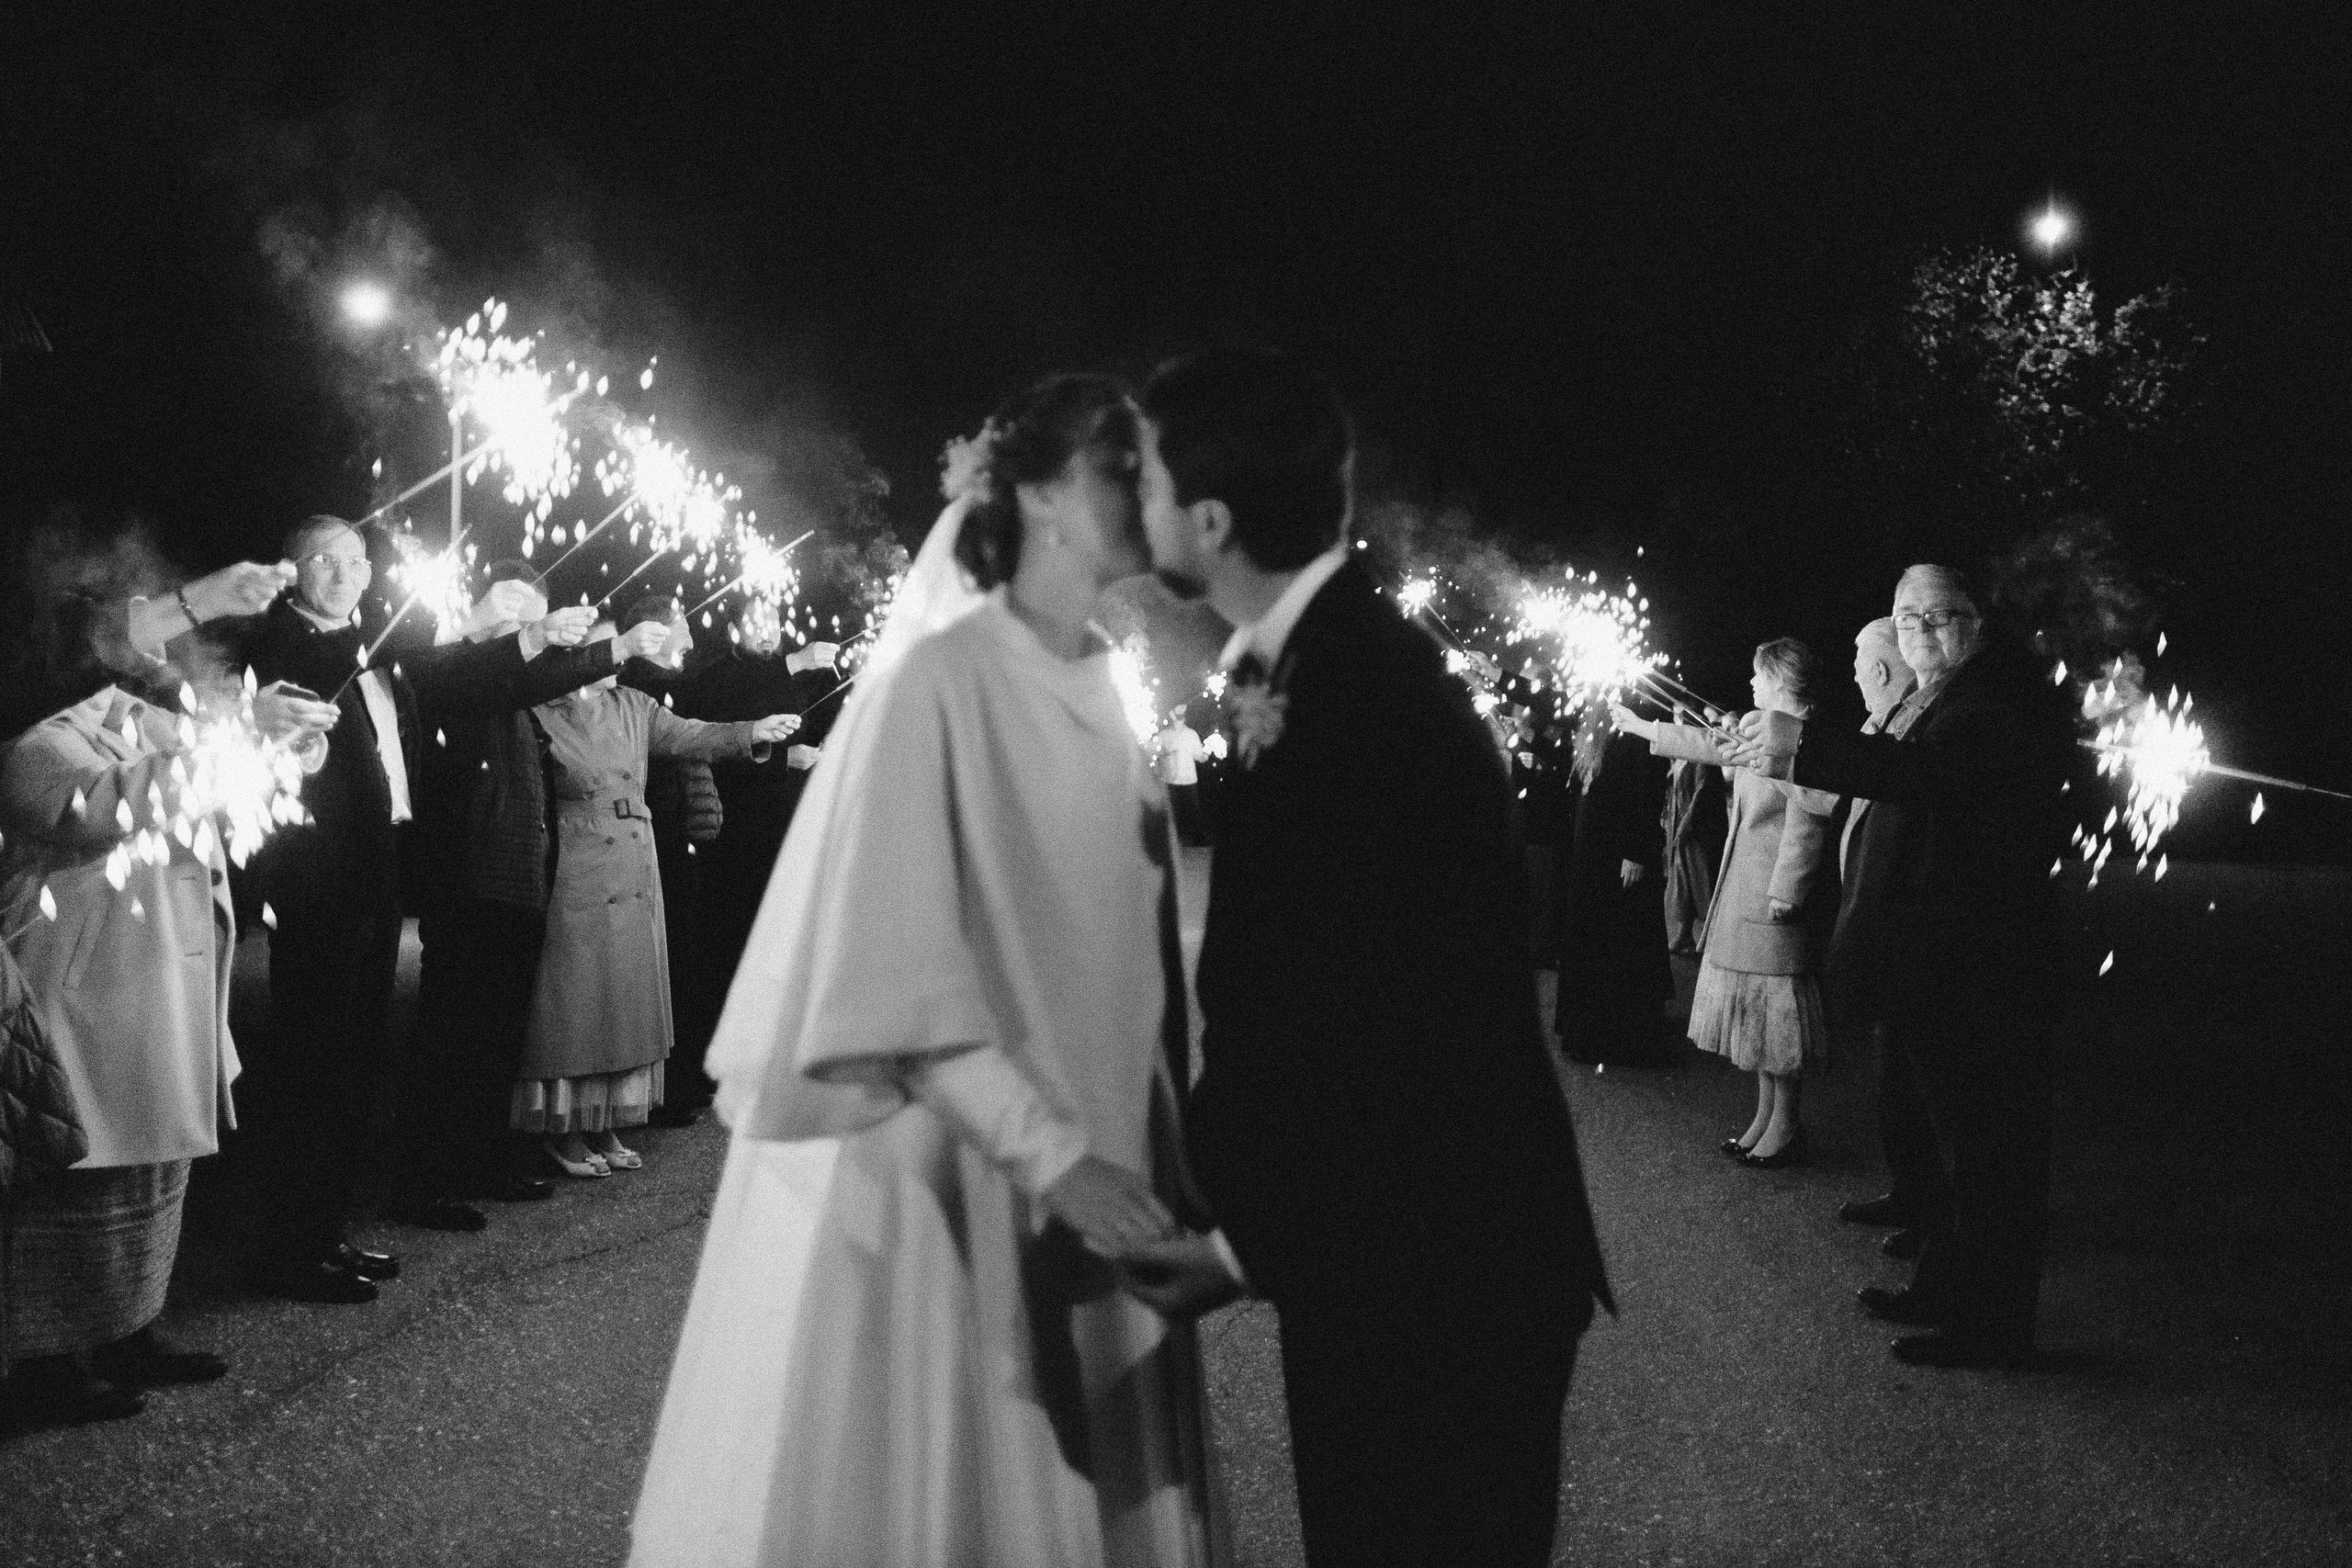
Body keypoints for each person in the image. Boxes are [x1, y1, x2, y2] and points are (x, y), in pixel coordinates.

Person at [631, 375, 1219, 1567]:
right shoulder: (937, 681)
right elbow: (891, 962)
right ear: (1047, 494)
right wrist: (1050, 1157)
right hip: (972, 1181)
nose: (1160, 495)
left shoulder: (1107, 690)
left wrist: (1174, 1148)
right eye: (1128, 468)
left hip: (1110, 1167)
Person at [1124, 346, 1610, 1568]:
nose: (1131, 507)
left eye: (1143, 481)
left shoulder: (1358, 699)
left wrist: (1242, 1243)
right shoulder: (1323, 663)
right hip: (1400, 1251)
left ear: (1214, 519)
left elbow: (1389, 1024)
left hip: (1440, 1272)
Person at [1728, 565, 2074, 1368]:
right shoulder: (1932, 698)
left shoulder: (1987, 705)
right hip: (1934, 966)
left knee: (1986, 1154)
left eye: (1939, 614)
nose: (1920, 627)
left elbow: (1922, 775)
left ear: (1975, 623)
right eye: (1905, 615)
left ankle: (1992, 1329)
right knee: (1955, 1149)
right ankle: (1945, 1290)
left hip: (1981, 972)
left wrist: (1801, 744)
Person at [1, 614, 335, 1426]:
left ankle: (131, 1331)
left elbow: (230, 785)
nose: (157, 675)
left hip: (162, 986)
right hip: (90, 995)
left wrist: (287, 747)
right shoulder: (39, 746)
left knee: (156, 1173)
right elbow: (112, 804)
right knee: (78, 1184)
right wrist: (235, 739)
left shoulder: (157, 726)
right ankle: (46, 1360)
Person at [390, 566, 667, 1231]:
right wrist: (596, 646)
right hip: (467, 875)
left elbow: (543, 676)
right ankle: (425, 1179)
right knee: (451, 1034)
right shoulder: (454, 666)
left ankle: (483, 1159)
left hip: (520, 879)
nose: (530, 642)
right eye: (518, 623)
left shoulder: (518, 683)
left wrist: (607, 650)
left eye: (535, 626)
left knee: (497, 1034)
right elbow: (470, 672)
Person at [514, 619, 796, 1179]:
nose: (624, 656)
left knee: (625, 997)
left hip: (635, 861)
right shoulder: (540, 708)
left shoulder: (634, 705)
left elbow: (691, 734)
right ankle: (564, 1130)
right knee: (577, 1000)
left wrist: (752, 731)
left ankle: (605, 1120)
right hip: (578, 861)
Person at [1613, 638, 1838, 1167]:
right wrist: (1645, 728)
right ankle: (1766, 1118)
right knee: (1760, 1025)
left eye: (1760, 677)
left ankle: (1785, 1125)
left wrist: (1788, 889)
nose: (1752, 685)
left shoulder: (1803, 739)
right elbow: (1715, 748)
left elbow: (1809, 819)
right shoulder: (1768, 727)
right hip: (1745, 887)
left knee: (1776, 1023)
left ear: (1783, 680)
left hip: (1773, 896)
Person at [671, 597, 839, 1094]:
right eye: (756, 624)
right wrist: (785, 754)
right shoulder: (719, 673)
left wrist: (822, 682)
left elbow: (818, 716)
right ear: (735, 627)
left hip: (784, 828)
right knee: (730, 944)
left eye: (774, 624)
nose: (768, 634)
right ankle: (718, 1061)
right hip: (733, 834)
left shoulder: (789, 670)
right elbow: (723, 732)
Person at [1830, 617, 1938, 1260]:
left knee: (1914, 1083)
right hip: (1880, 930)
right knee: (1892, 1078)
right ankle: (1909, 1190)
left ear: (1877, 670)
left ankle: (1927, 1207)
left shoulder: (1913, 731)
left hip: (1906, 934)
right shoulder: (1886, 725)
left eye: (1858, 665)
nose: (1853, 677)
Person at [1554, 715, 1676, 1065]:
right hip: (1591, 848)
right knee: (1589, 935)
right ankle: (1586, 1029)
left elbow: (1649, 789)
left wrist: (1637, 852)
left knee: (1615, 939)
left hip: (1618, 851)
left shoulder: (1633, 723)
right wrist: (1496, 675)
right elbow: (1547, 701)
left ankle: (1615, 1037)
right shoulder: (1593, 719)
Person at [1659, 753, 1728, 954]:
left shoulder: (1700, 758)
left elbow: (1701, 792)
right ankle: (1685, 934)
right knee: (1683, 883)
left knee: (1703, 882)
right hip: (1682, 832)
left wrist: (1687, 821)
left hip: (1700, 833)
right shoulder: (1680, 760)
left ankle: (1712, 937)